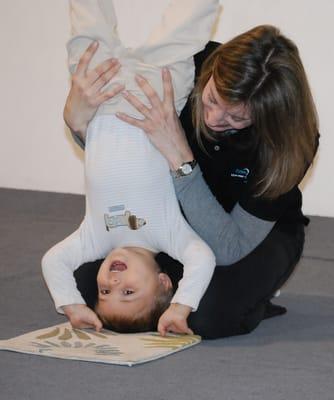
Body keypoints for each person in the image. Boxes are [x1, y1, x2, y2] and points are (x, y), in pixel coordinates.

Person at [65, 23, 319, 339]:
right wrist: (78, 123)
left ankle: (254, 297)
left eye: (236, 118)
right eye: (211, 100)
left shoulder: (290, 142)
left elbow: (229, 246)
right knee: (83, 286)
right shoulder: (183, 65)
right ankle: (178, 283)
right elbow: (123, 155)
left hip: (249, 237)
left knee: (206, 316)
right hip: (168, 221)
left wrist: (181, 159)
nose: (213, 119)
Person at [42, 0, 220, 336]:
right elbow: (202, 258)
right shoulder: (169, 235)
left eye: (105, 292)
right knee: (189, 21)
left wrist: (73, 305)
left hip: (97, 96)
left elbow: (53, 261)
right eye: (128, 292)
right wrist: (181, 307)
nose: (113, 280)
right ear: (164, 281)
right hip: (157, 95)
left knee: (87, 19)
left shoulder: (93, 239)